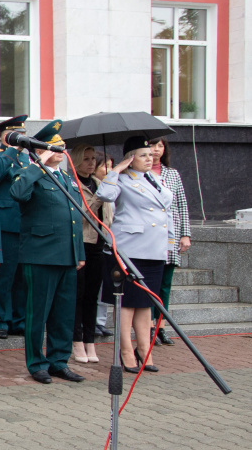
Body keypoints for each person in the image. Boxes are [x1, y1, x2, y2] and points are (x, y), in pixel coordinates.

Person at [9, 121, 87, 384]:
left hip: (67, 256)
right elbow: (18, 193)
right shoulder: (29, 172)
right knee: (38, 313)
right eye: (55, 146)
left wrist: (79, 253)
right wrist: (37, 163)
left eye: (62, 145)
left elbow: (75, 218)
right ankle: (36, 363)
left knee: (64, 314)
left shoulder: (66, 178)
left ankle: (58, 361)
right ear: (42, 149)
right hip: (40, 255)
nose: (62, 149)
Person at [95, 136, 175, 374]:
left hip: (154, 249)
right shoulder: (121, 179)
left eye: (150, 154)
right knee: (127, 303)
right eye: (143, 155)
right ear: (130, 159)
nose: (149, 159)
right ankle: (126, 351)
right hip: (130, 248)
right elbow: (105, 195)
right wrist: (116, 170)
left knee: (146, 303)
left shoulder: (155, 179)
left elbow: (165, 212)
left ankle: (144, 349)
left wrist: (169, 240)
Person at [0, 115, 31, 340]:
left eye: (22, 133)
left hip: (25, 223)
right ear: (5, 135)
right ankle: (0, 320)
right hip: (6, 224)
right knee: (4, 276)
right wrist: (11, 150)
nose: (21, 137)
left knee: (22, 276)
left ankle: (18, 319)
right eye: (15, 133)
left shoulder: (27, 160)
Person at [68, 143, 111, 364]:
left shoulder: (98, 183)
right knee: (78, 295)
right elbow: (79, 217)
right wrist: (97, 200)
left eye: (94, 159)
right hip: (80, 243)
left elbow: (107, 218)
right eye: (86, 159)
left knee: (93, 296)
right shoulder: (71, 183)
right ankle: (76, 341)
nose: (92, 163)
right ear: (76, 160)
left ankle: (89, 340)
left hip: (98, 245)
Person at [150, 137, 190, 346]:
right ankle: (147, 325)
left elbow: (181, 205)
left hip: (170, 236)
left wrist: (186, 234)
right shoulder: (138, 174)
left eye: (160, 146)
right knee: (150, 284)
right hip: (148, 237)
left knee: (165, 284)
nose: (156, 150)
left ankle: (160, 326)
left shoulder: (172, 174)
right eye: (152, 145)